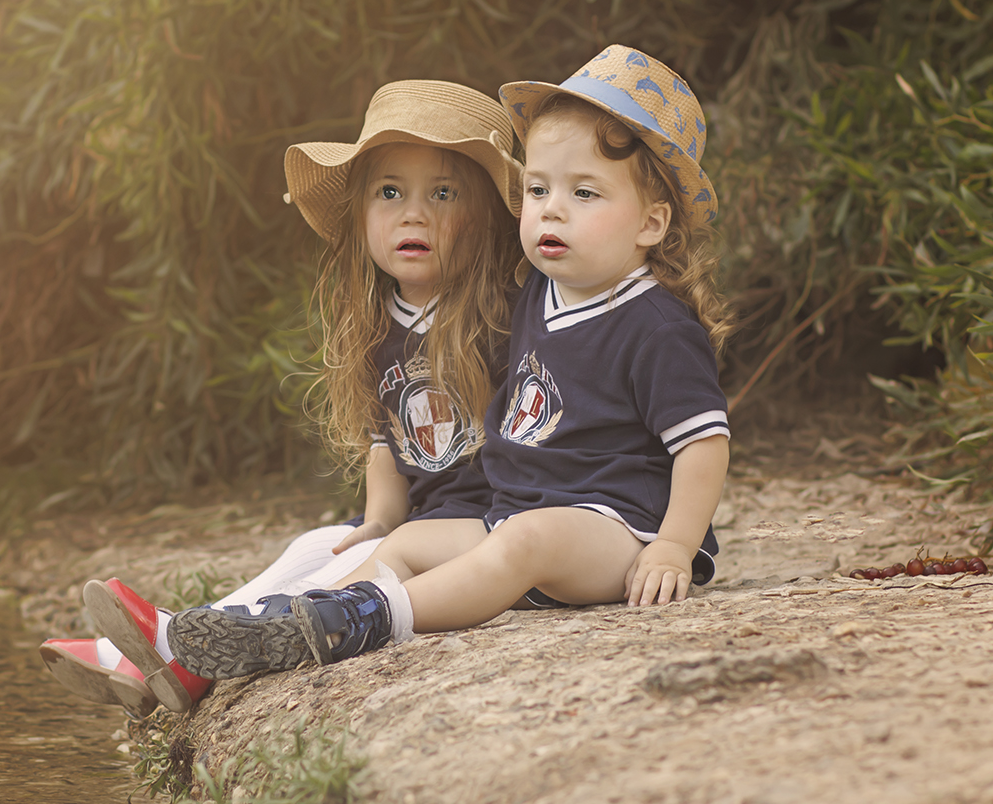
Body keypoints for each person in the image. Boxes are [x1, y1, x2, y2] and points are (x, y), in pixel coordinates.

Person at [166, 44, 735, 678]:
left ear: (651, 223)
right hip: (517, 512)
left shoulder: (656, 325)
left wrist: (673, 546)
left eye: (584, 192)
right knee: (409, 541)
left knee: (525, 540)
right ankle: (298, 620)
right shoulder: (539, 293)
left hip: (619, 529)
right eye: (538, 189)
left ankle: (371, 618)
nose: (551, 208)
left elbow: (703, 445)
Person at [40, 80, 525, 714]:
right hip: (422, 521)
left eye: (443, 193)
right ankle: (161, 655)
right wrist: (380, 518)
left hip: (489, 528)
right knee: (318, 547)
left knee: (365, 562)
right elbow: (385, 442)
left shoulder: (504, 318)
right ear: (360, 215)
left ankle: (169, 650)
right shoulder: (378, 324)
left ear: (491, 217)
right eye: (390, 193)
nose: (414, 214)